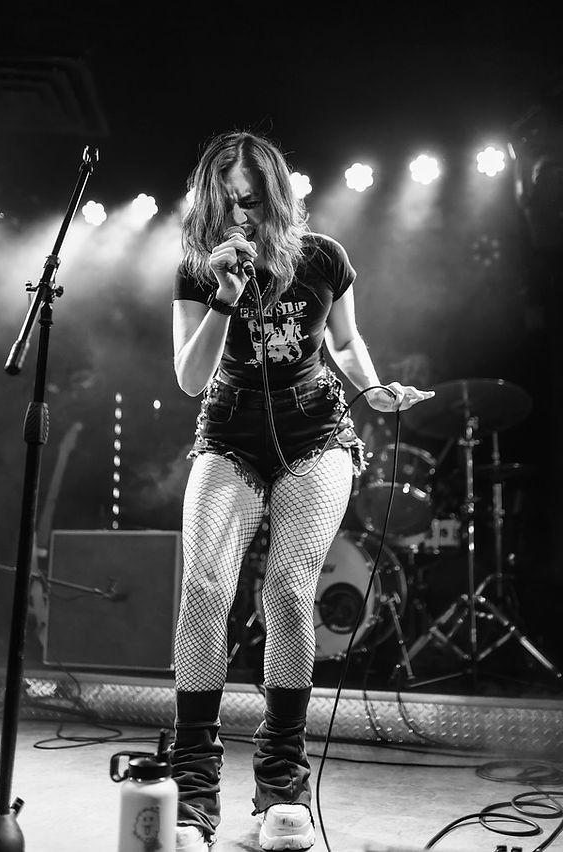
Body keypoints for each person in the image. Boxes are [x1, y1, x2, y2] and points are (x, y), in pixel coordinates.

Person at [171, 130, 435, 852]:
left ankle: (281, 790)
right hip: (228, 433)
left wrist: (374, 389)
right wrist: (224, 300)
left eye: (253, 199)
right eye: (228, 200)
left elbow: (344, 341)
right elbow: (190, 378)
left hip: (316, 432)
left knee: (289, 591)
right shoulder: (197, 268)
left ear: (277, 195)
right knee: (204, 585)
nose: (241, 213)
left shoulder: (322, 258)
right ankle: (193, 793)